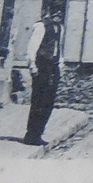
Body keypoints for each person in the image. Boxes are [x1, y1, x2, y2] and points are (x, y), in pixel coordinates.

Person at [23, 10, 63, 145]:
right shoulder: (41, 26)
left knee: (48, 102)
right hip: (41, 67)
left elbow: (59, 48)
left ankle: (39, 133)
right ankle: (31, 135)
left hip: (53, 67)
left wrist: (60, 65)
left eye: (60, 12)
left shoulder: (60, 28)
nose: (58, 15)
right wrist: (32, 66)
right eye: (56, 11)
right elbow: (32, 48)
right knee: (38, 101)